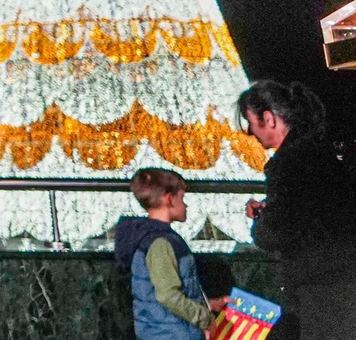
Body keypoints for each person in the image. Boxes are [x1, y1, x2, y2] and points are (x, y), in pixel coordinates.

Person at [238, 79, 356, 340]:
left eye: (251, 123)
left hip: (321, 287)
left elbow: (274, 233)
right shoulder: (319, 153)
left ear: (268, 118)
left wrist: (260, 218)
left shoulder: (288, 165)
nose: (250, 133)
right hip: (343, 277)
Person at [113, 168, 226, 339]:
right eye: (182, 198)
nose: (185, 205)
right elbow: (168, 295)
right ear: (169, 199)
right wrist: (205, 319)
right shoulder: (161, 242)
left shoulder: (151, 238)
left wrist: (207, 306)